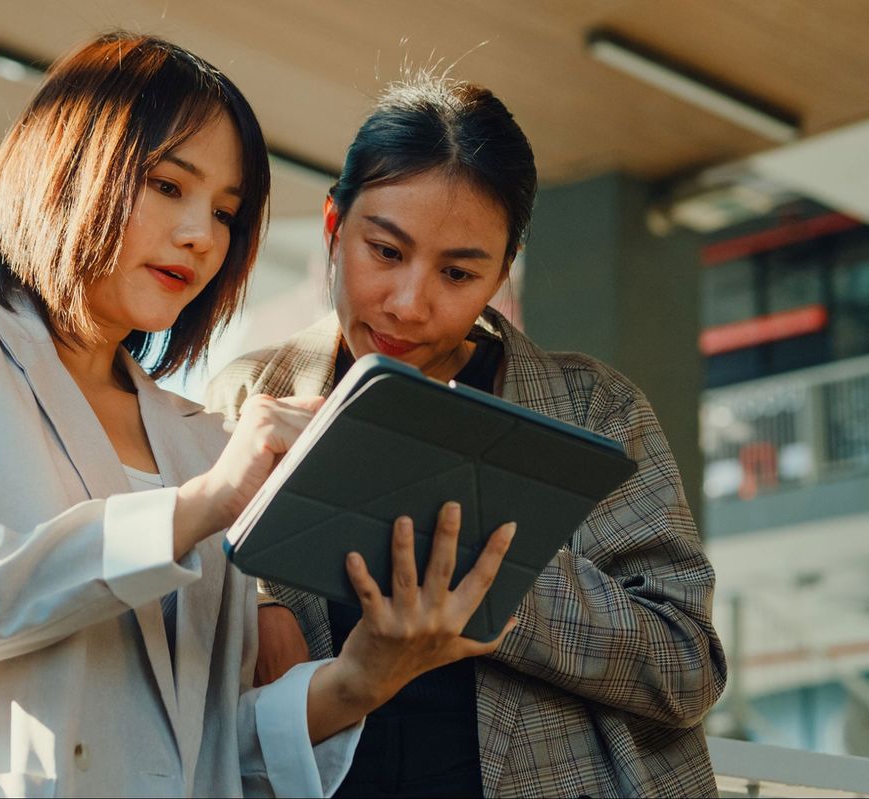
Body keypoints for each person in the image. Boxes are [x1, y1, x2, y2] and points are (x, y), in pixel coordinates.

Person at [0, 34, 520, 798]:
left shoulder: (201, 437)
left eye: (226, 213)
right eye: (168, 186)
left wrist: (366, 673)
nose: (201, 235)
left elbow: (207, 745)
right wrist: (197, 508)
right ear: (71, 164)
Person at [207, 78, 728, 798]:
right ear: (333, 225)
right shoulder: (245, 398)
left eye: (457, 272)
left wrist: (492, 580)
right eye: (384, 251)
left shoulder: (595, 409)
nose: (409, 303)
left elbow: (685, 666)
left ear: (502, 268)